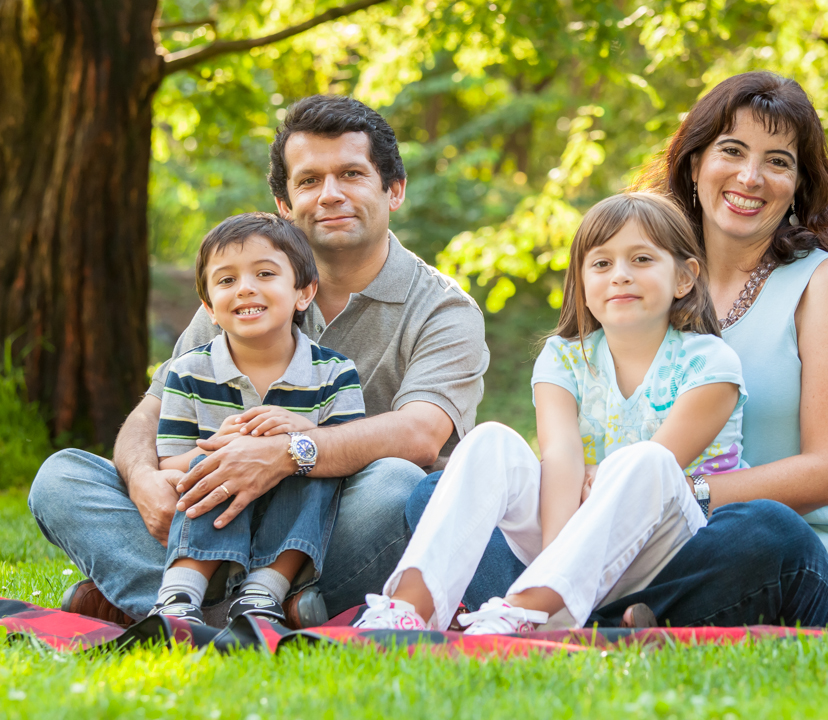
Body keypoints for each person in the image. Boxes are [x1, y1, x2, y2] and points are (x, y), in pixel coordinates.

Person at [408, 71, 828, 629]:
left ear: (799, 183)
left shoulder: (823, 284)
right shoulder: (644, 270)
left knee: (766, 530)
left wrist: (675, 490)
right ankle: (572, 610)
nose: (751, 177)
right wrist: (587, 493)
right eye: (732, 151)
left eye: (778, 161)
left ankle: (559, 612)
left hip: (780, 553)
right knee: (438, 491)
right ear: (695, 162)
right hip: (626, 540)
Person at [28, 95, 489, 628]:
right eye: (310, 180)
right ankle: (264, 609)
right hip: (215, 512)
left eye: (352, 174)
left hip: (337, 521)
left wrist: (287, 454)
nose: (331, 194)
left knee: (399, 485)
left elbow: (420, 435)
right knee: (61, 477)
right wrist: (142, 479)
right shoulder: (245, 290)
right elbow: (154, 409)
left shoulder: (444, 308)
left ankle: (186, 603)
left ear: (394, 189)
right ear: (285, 203)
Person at [353, 192, 750, 633]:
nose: (620, 276)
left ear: (684, 278)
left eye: (641, 259)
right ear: (581, 281)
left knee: (646, 461)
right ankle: (410, 611)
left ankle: (529, 611)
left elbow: (659, 470)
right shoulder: (563, 357)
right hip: (575, 540)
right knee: (491, 440)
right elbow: (561, 457)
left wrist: (595, 488)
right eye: (601, 264)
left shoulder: (710, 363)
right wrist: (558, 558)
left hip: (670, 548)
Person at [150, 212, 366, 625]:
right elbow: (169, 464)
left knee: (316, 461)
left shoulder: (335, 373)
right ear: (209, 307)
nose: (245, 288)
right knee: (209, 465)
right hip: (214, 513)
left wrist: (304, 435)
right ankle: (181, 592)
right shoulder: (188, 372)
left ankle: (264, 591)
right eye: (227, 280)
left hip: (298, 520)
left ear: (304, 293)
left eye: (265, 274)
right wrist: (221, 448)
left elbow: (350, 458)